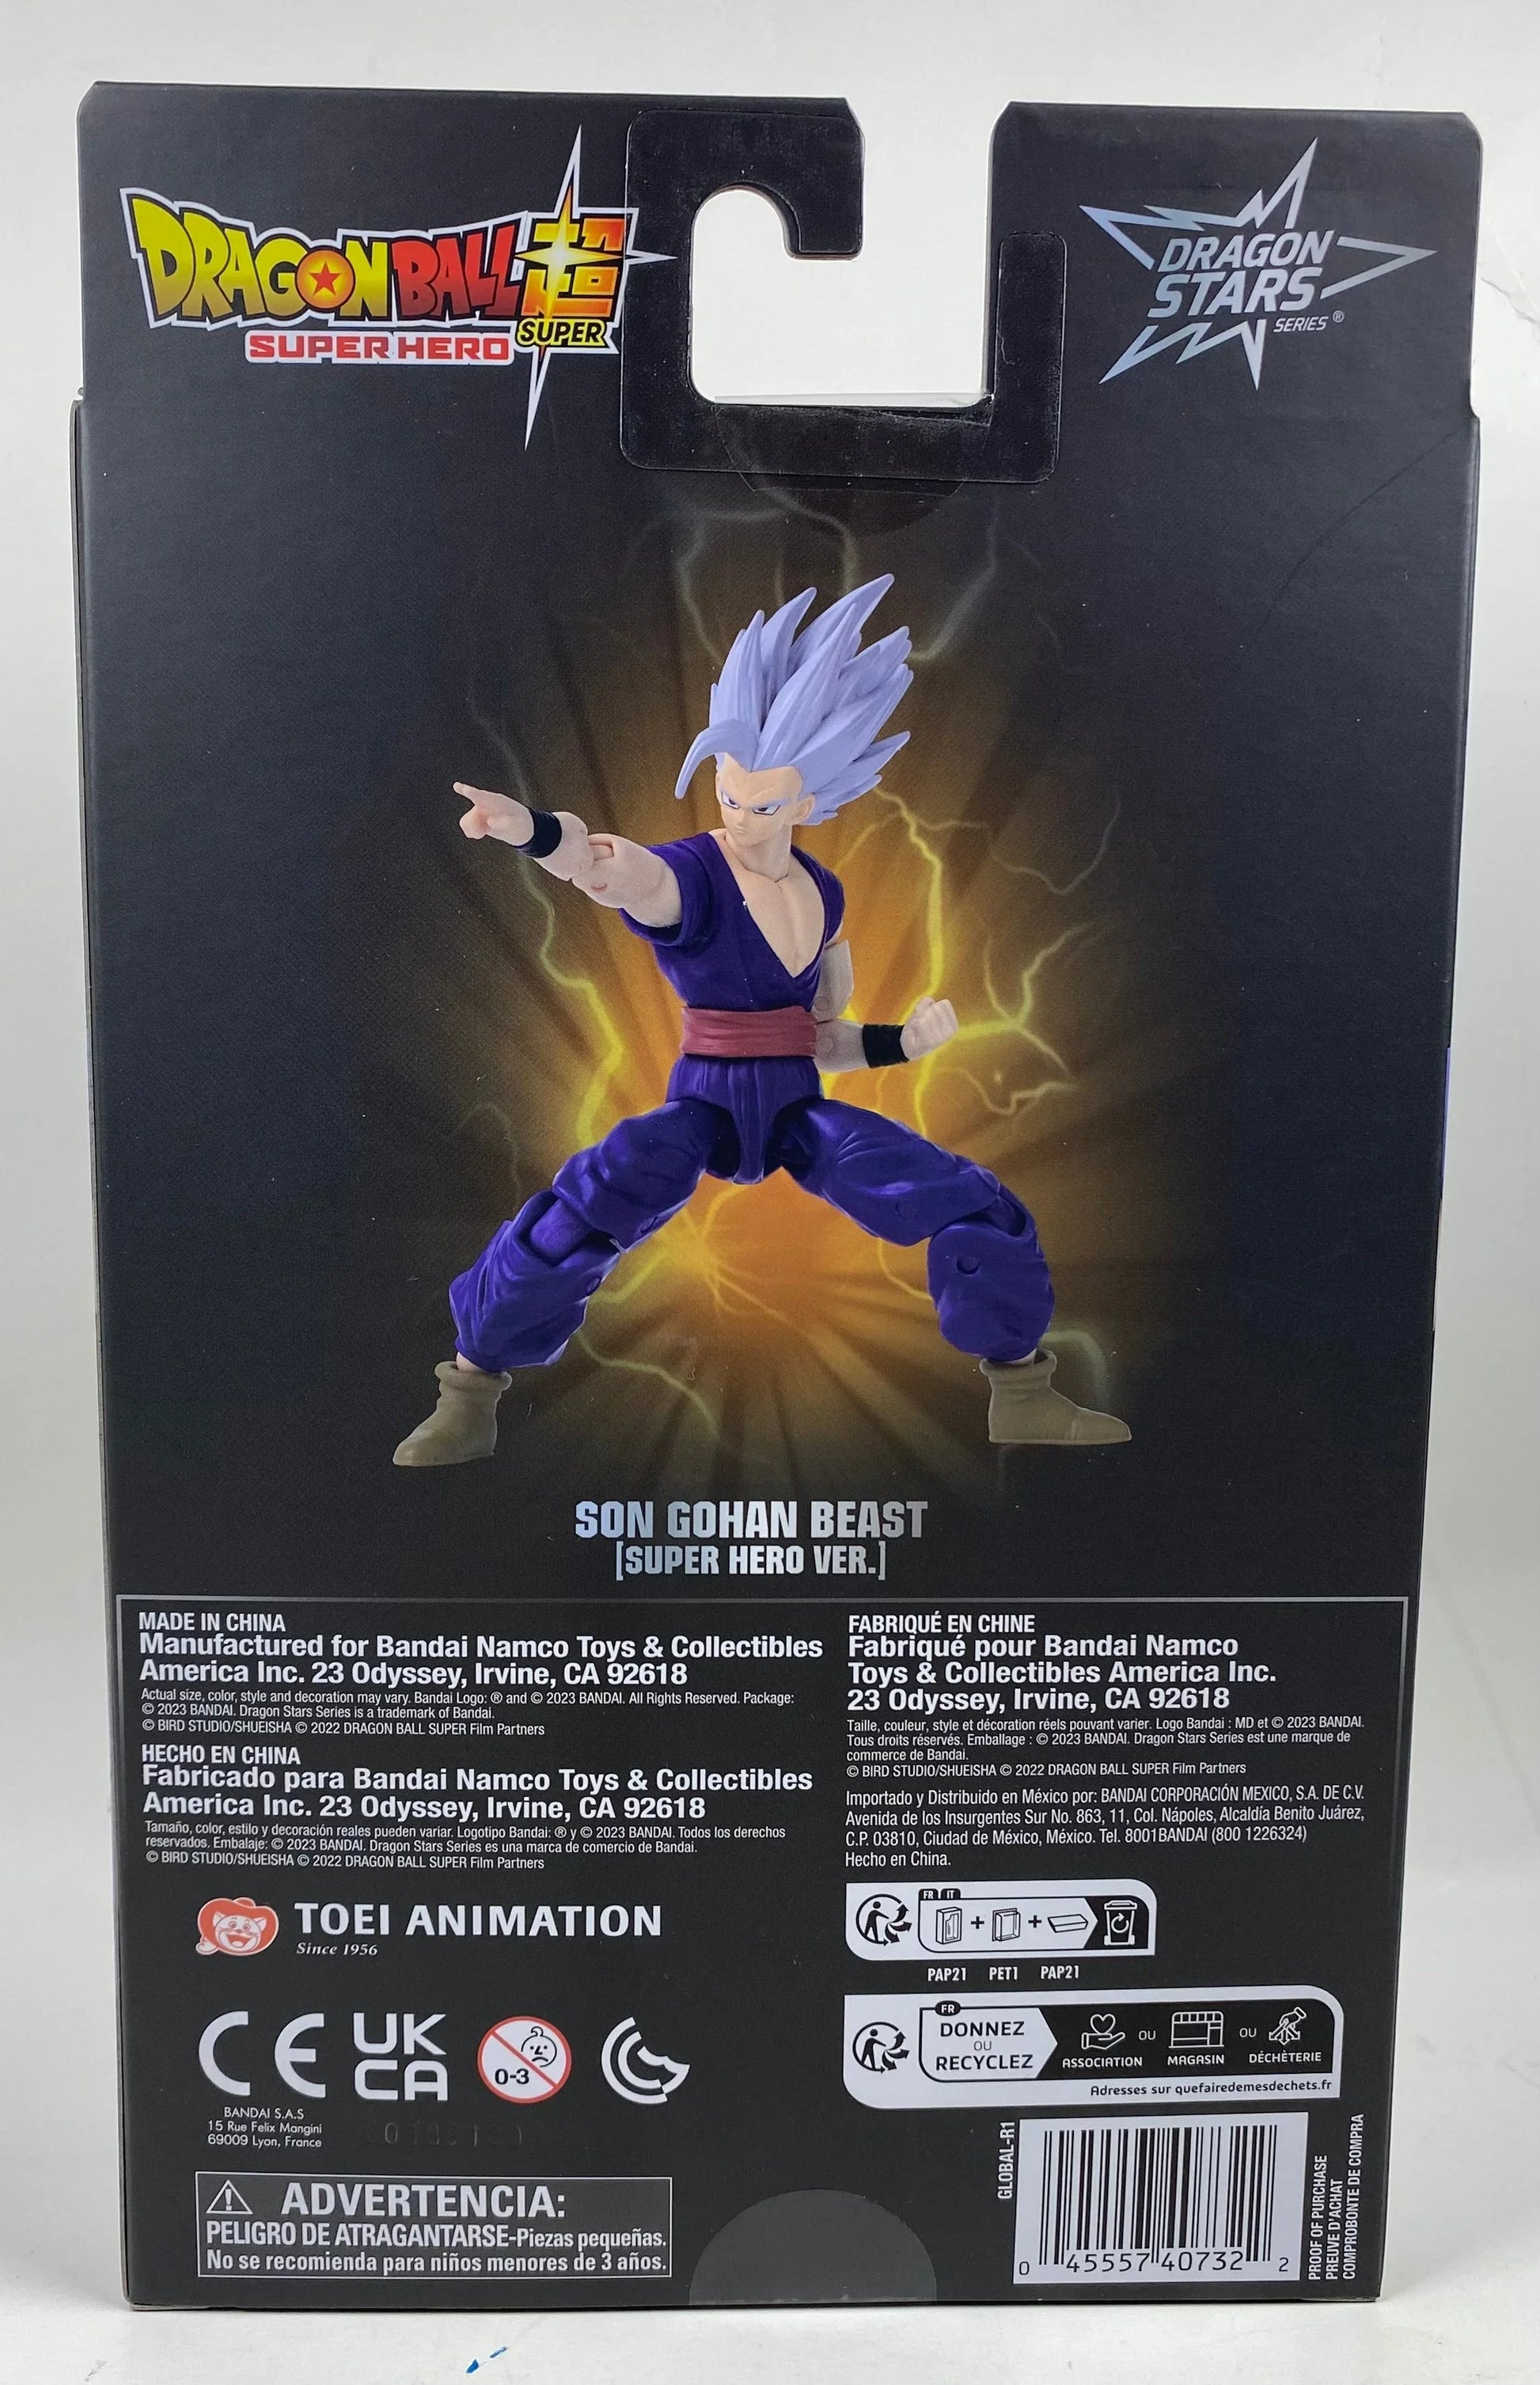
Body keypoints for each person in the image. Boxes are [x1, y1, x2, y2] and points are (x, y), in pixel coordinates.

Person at [395, 578, 1129, 1464]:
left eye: (763, 804)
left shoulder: (824, 895)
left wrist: (905, 1043)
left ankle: (1022, 1394)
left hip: (795, 1110)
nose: (740, 818)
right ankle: (470, 1391)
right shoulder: (695, 874)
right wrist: (535, 834)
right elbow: (613, 871)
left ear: (807, 804)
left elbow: (824, 1038)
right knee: (578, 1212)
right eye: (729, 794)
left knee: (972, 1203)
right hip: (700, 1107)